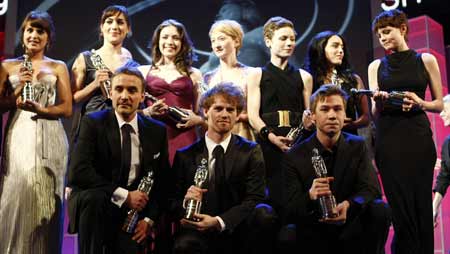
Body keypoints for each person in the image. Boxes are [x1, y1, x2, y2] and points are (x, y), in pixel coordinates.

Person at [67, 66, 170, 254]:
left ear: (142, 96)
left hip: (133, 213)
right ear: (111, 93)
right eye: (119, 89)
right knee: (93, 198)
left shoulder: (157, 131)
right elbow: (79, 172)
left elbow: (163, 182)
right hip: (98, 205)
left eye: (132, 90)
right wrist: (124, 195)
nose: (124, 96)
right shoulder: (93, 122)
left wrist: (149, 220)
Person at [368, 9, 443, 253]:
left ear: (402, 29)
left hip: (418, 140)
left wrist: (420, 103)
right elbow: (373, 110)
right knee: (399, 211)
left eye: (387, 31)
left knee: (421, 206)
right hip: (389, 141)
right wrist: (379, 100)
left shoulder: (426, 60)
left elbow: (439, 104)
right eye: (379, 35)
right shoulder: (376, 66)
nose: (383, 38)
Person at [171, 83, 277, 254]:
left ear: (237, 114)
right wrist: (185, 205)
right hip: (198, 230)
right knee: (184, 244)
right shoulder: (186, 155)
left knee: (264, 212)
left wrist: (219, 221)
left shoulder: (250, 151)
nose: (225, 114)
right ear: (205, 111)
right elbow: (171, 200)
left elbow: (255, 197)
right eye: (218, 108)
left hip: (237, 227)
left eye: (230, 110)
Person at [283, 84, 390, 254]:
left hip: (350, 226)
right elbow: (288, 208)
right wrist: (310, 196)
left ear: (345, 115)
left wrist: (349, 205)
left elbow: (372, 189)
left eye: (338, 109)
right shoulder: (295, 155)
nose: (332, 115)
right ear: (313, 117)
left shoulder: (358, 145)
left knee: (380, 209)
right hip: (314, 229)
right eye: (325, 109)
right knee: (287, 234)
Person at [0, 11, 72, 254]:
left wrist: (44, 109)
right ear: (23, 35)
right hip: (20, 133)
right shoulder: (8, 66)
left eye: (40, 31)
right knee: (18, 192)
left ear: (48, 37)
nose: (34, 35)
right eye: (30, 30)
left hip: (51, 135)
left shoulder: (58, 66)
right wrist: (19, 88)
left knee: (46, 198)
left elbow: (67, 107)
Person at [247, 16, 313, 212]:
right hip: (268, 145)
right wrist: (271, 137)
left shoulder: (304, 77)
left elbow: (307, 113)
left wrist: (306, 127)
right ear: (268, 41)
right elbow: (253, 115)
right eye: (283, 38)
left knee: (298, 196)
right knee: (272, 198)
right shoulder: (257, 74)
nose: (289, 43)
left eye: (292, 38)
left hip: (298, 144)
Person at [138, 19, 203, 165]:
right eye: (165, 37)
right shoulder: (143, 72)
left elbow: (202, 114)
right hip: (153, 135)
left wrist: (197, 120)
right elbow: (131, 112)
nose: (170, 42)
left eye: (175, 38)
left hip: (185, 136)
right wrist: (148, 111)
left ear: (182, 43)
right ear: (157, 41)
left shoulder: (194, 73)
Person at [71, 5, 139, 144]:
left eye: (120, 22)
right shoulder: (85, 58)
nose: (114, 26)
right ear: (102, 27)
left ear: (128, 29)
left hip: (122, 127)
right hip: (93, 126)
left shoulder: (133, 65)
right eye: (109, 21)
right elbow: (72, 99)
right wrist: (94, 84)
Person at [303, 31, 370, 135]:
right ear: (320, 49)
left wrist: (350, 124)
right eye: (335, 46)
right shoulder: (308, 79)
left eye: (342, 47)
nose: (340, 51)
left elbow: (366, 117)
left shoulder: (354, 80)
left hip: (348, 141)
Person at [204, 19, 256, 141]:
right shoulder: (208, 77)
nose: (217, 45)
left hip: (242, 135)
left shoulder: (251, 73)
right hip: (215, 138)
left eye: (221, 39)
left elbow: (257, 114)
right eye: (213, 40)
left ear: (236, 41)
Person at [433, 94, 450, 226]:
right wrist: (434, 208)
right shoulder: (447, 143)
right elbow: (444, 177)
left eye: (444, 110)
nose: (441, 115)